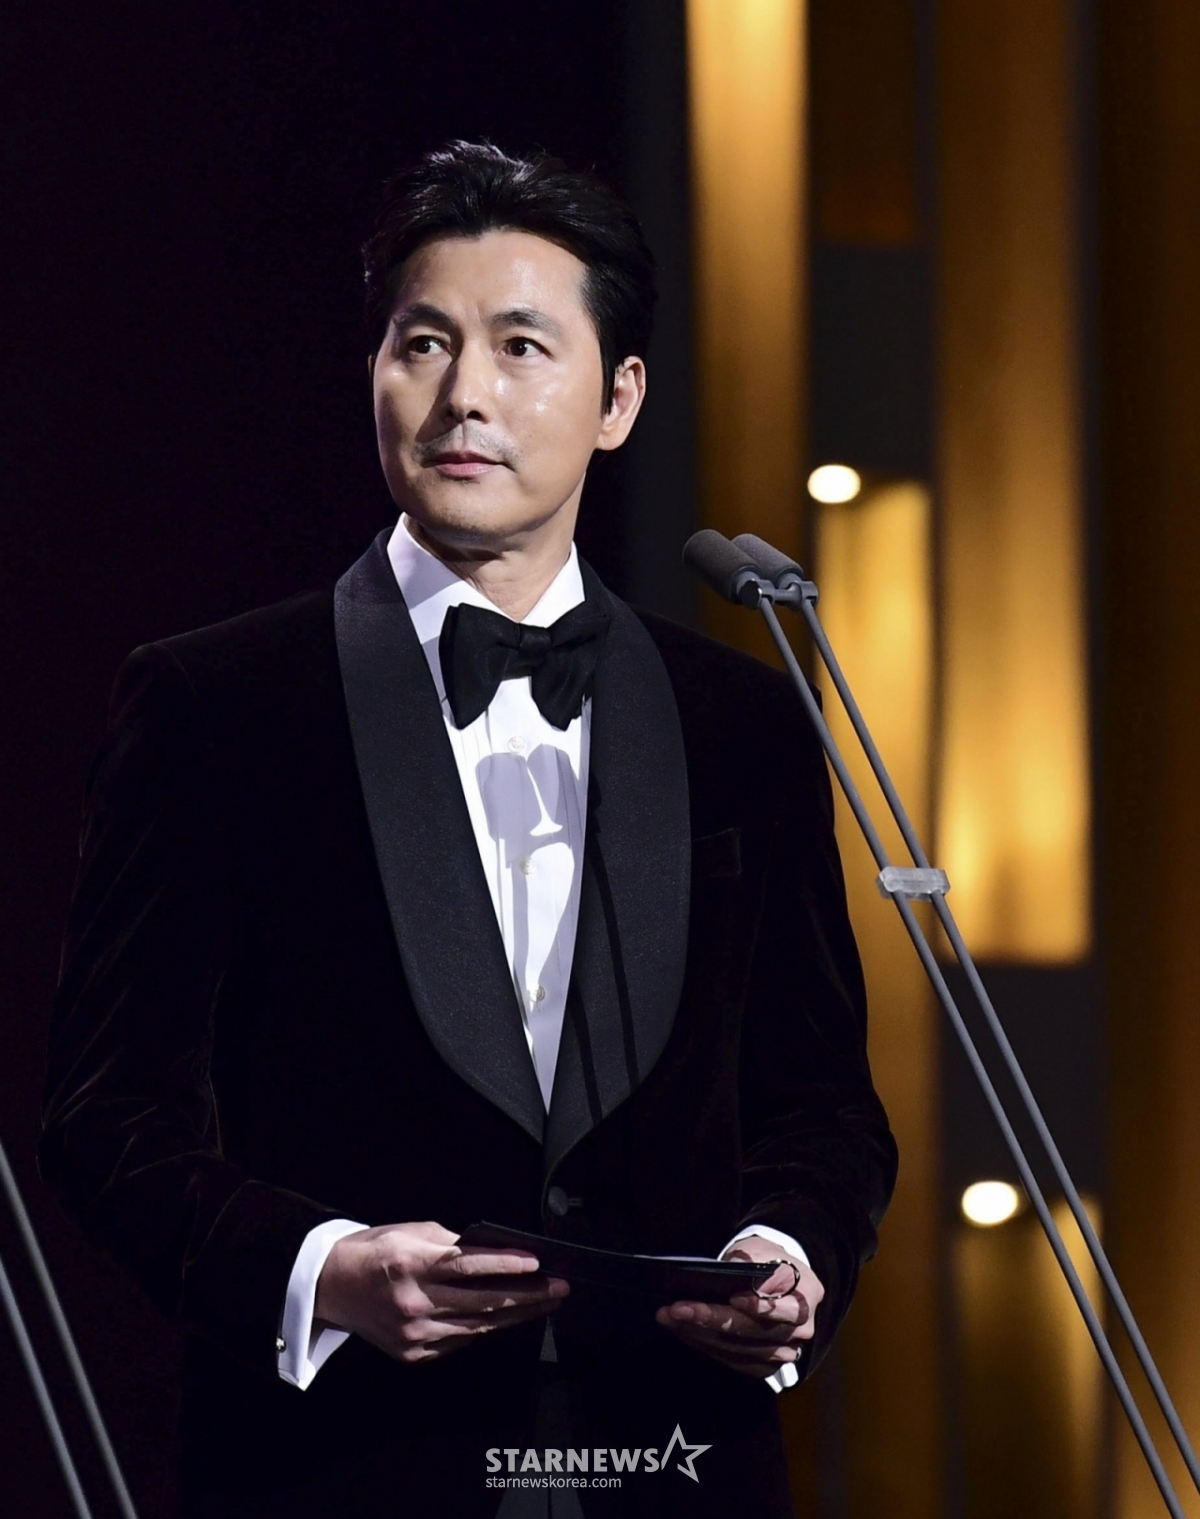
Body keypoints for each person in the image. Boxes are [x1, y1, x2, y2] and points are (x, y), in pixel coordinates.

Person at [41, 142, 896, 1518]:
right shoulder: (215, 702)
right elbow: (107, 1115)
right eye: (424, 343)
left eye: (520, 347)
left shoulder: (741, 719)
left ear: (619, 399)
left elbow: (824, 1107)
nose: (465, 396)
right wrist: (322, 1270)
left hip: (673, 1466)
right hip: (341, 1470)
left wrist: (787, 1254)